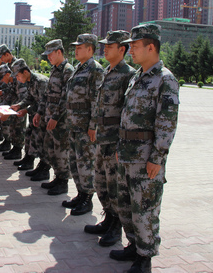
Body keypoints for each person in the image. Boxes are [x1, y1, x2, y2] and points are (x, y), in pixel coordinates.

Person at [110, 24, 180, 273]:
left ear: (151, 47)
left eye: (135, 46)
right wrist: (120, 146)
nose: (130, 51)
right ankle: (133, 245)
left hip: (146, 159)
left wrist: (157, 158)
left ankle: (145, 257)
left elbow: (167, 123)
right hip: (127, 155)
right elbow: (125, 117)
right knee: (126, 205)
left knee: (145, 210)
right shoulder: (137, 77)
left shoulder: (166, 80)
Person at [84, 31, 136, 248]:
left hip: (115, 141)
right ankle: (108, 219)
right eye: (104, 45)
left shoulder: (128, 75)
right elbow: (98, 105)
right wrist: (94, 125)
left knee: (115, 187)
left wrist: (121, 144)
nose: (104, 49)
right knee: (100, 183)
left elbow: (127, 112)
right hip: (101, 139)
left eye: (109, 46)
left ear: (122, 49)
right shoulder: (107, 72)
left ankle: (116, 227)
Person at [62, 34, 104, 216]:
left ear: (90, 49)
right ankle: (80, 194)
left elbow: (97, 100)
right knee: (75, 162)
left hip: (85, 127)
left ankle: (88, 199)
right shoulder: (79, 68)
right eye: (76, 47)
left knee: (86, 163)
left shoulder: (95, 69)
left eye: (80, 47)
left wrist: (93, 125)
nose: (76, 49)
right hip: (73, 125)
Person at [36, 39, 74, 195]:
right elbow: (46, 95)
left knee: (61, 151)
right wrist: (39, 112)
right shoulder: (54, 70)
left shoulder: (68, 70)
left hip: (61, 120)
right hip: (49, 117)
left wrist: (56, 117)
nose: (48, 57)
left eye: (50, 54)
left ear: (59, 52)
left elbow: (66, 97)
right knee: (50, 149)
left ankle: (63, 181)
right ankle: (57, 178)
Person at [10, 59, 49, 182]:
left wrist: (26, 110)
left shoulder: (40, 81)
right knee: (29, 135)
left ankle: (44, 168)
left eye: (18, 75)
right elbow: (29, 98)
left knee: (41, 141)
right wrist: (19, 105)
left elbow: (43, 102)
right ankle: (28, 159)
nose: (17, 79)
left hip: (43, 116)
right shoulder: (30, 81)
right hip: (35, 115)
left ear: (26, 72)